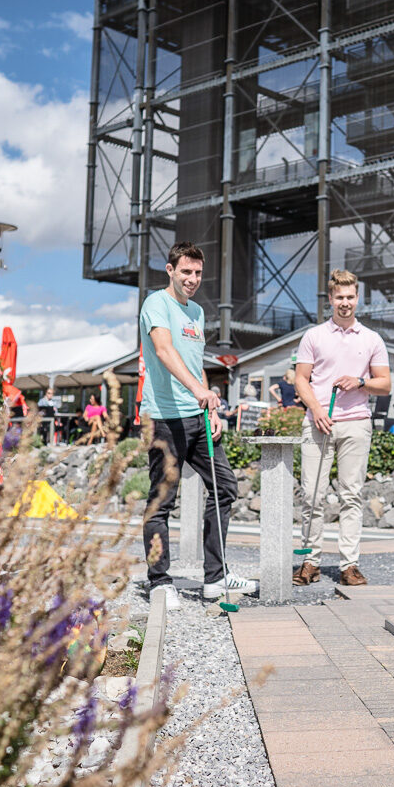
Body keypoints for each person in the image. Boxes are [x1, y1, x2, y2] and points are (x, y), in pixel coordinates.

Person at [139, 241, 258, 608]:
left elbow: (195, 362)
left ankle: (215, 576)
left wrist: (210, 408)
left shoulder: (197, 312)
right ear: (170, 270)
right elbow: (164, 350)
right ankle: (160, 581)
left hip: (197, 415)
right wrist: (197, 391)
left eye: (198, 273)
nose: (192, 279)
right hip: (164, 417)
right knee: (162, 500)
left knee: (225, 487)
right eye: (186, 272)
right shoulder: (156, 304)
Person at [292, 269, 391, 587]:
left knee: (351, 496)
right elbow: (300, 379)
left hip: (356, 424)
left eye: (350, 297)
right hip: (318, 423)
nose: (345, 302)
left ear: (357, 298)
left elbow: (385, 384)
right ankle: (310, 562)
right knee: (312, 496)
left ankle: (349, 565)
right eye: (339, 297)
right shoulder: (314, 336)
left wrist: (360, 381)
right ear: (330, 299)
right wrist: (316, 409)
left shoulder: (371, 339)